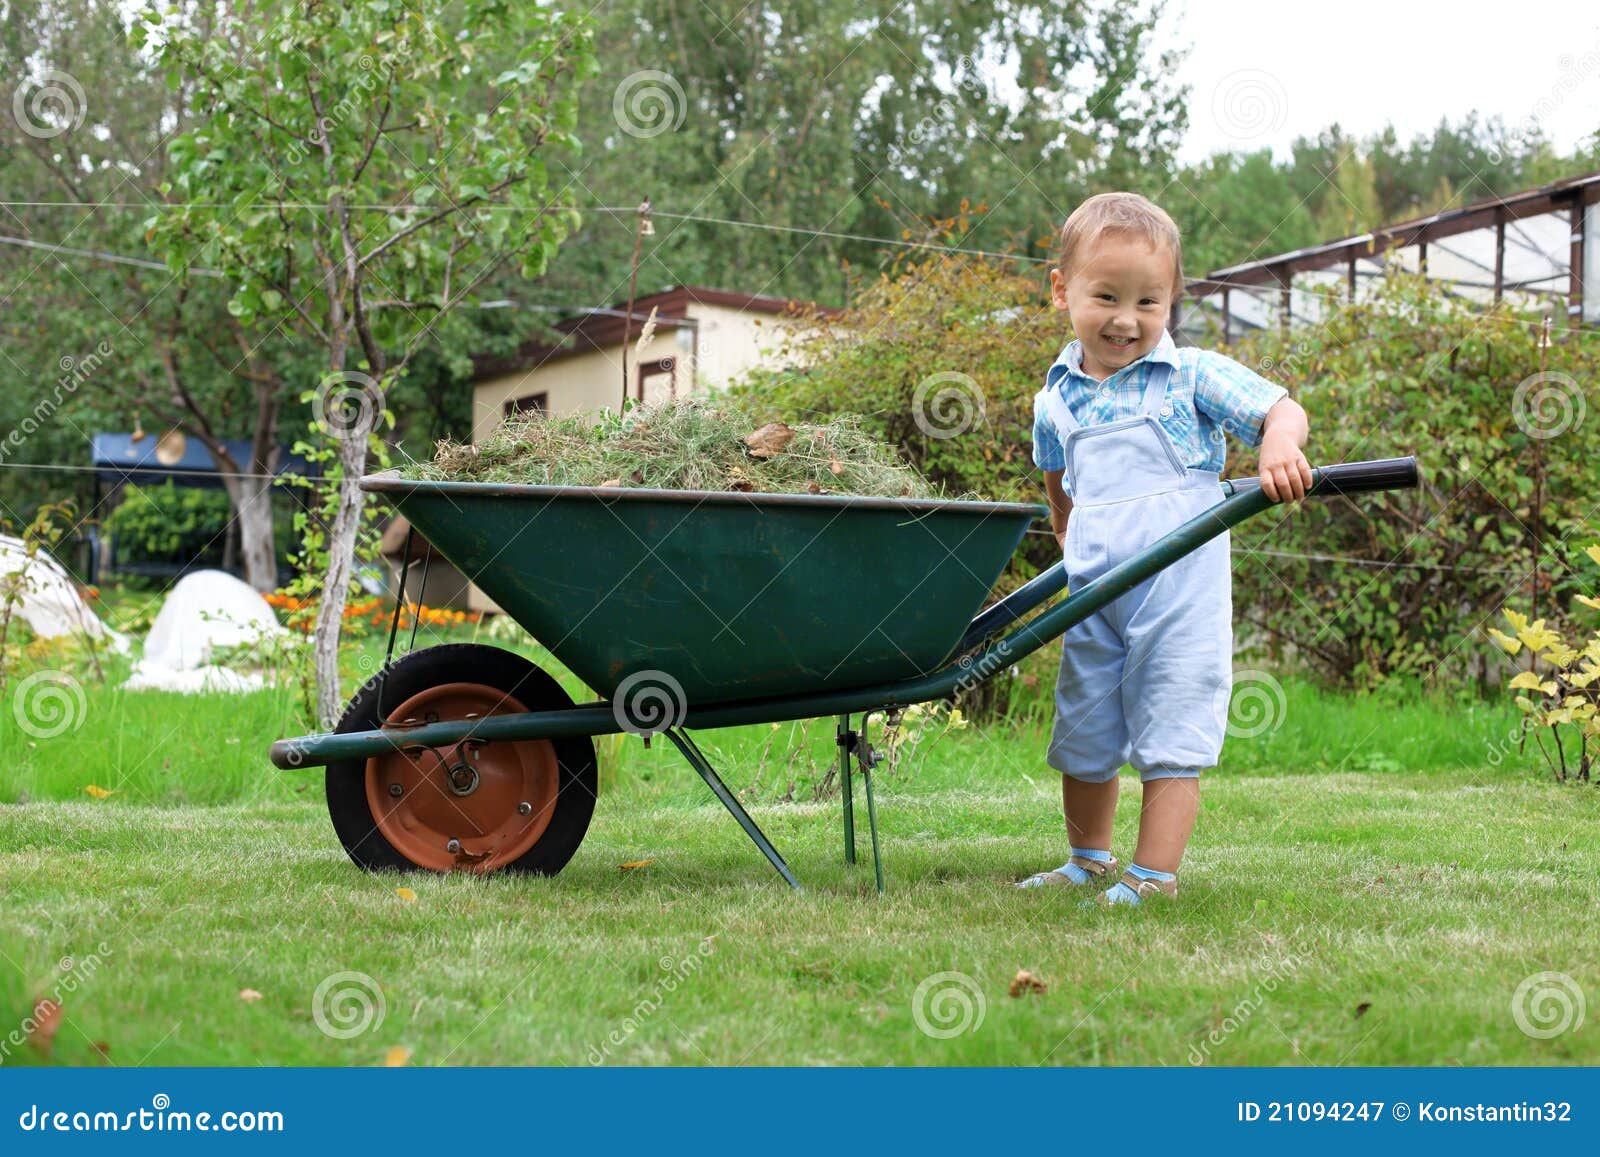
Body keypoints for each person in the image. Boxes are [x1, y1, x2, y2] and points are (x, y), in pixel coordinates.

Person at [1015, 192, 1312, 906]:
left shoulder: (1192, 377)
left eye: (1149, 301)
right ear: (1062, 291)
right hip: (1094, 591)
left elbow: (1282, 406)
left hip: (1178, 594)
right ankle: (1086, 857)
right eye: (1107, 296)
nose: (1126, 319)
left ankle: (1154, 874)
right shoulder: (1055, 397)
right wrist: (1064, 527)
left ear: (1172, 299)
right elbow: (1057, 477)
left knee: (1171, 722)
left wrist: (1278, 443)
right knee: (1084, 722)